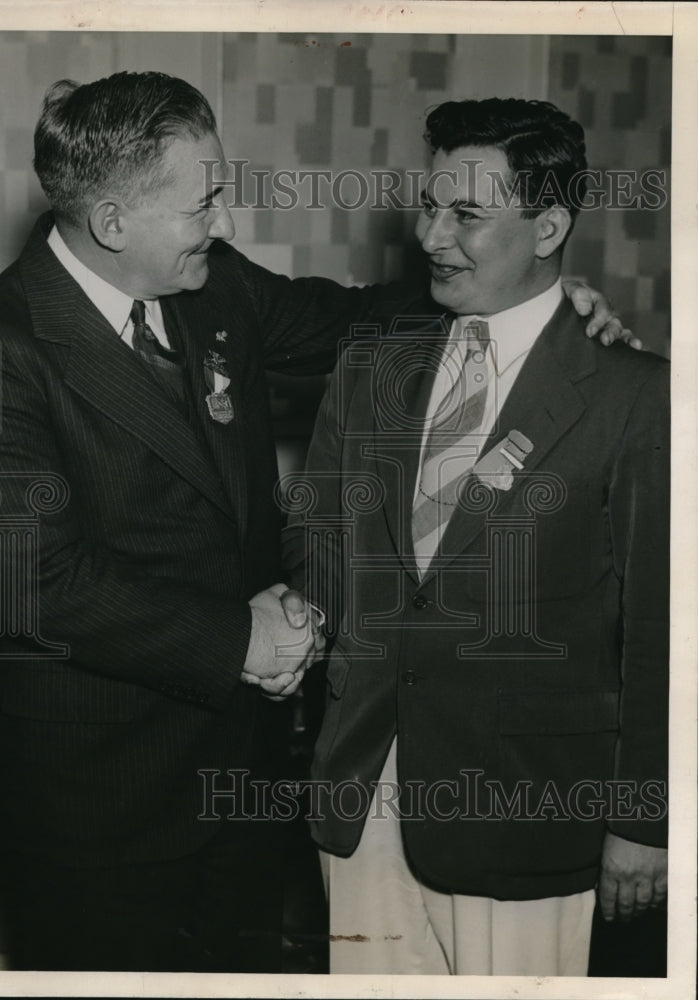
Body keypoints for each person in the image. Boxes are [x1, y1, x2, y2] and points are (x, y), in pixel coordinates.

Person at [0, 72, 625, 973]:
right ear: (112, 223)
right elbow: (34, 586)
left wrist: (537, 310)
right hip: (97, 805)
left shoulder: (210, 289)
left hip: (243, 779)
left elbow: (350, 320)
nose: (223, 223)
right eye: (203, 203)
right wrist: (239, 642)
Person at [283, 98, 668, 976]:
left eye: (466, 215)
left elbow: (664, 633)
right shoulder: (372, 364)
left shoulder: (637, 395)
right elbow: (317, 537)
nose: (430, 235)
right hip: (364, 794)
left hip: (531, 809)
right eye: (429, 206)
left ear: (549, 227)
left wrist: (645, 818)